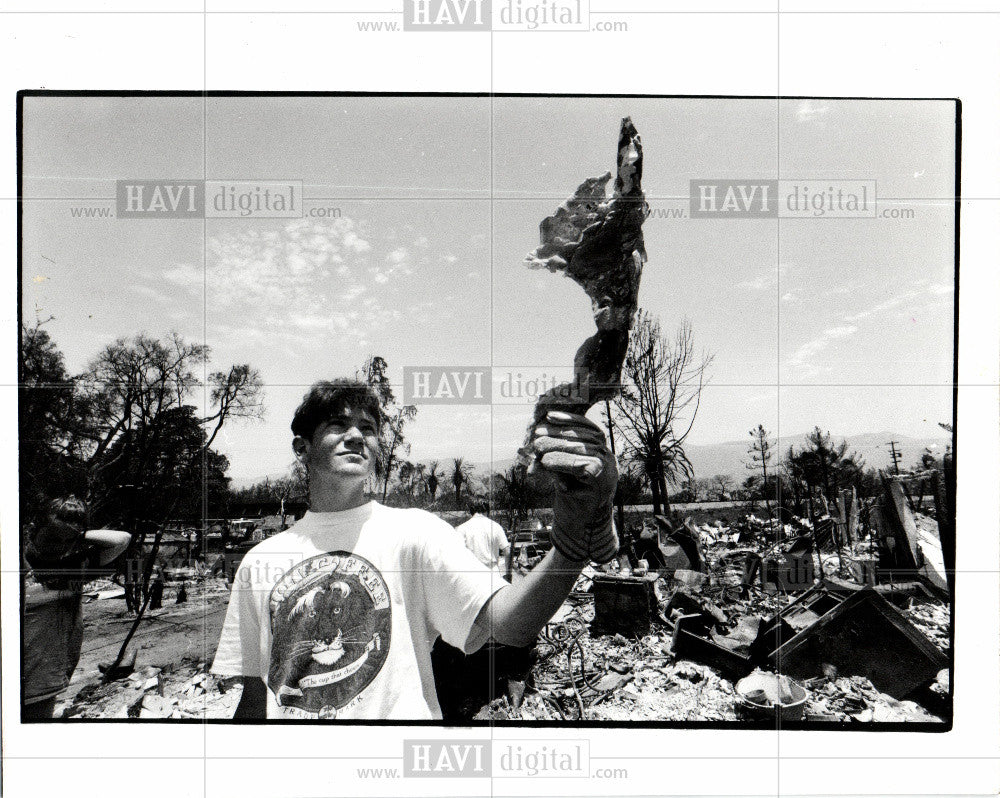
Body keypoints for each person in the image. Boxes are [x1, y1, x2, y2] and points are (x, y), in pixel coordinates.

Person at [211, 379, 618, 720]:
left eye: (368, 428)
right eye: (338, 424)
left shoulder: (415, 532)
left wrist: (572, 540)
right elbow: (254, 699)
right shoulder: (259, 562)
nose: (357, 435)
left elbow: (511, 624)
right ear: (302, 448)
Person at [22, 496, 131, 719]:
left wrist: (79, 534)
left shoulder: (72, 565)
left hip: (47, 672)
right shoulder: (18, 558)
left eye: (66, 540)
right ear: (35, 529)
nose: (58, 546)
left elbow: (121, 539)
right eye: (52, 537)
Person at [456, 505, 510, 580]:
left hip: (471, 574)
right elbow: (507, 552)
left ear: (471, 511)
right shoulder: (496, 526)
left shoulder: (461, 529)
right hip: (493, 574)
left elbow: (456, 554)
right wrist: (508, 574)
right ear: (487, 511)